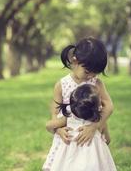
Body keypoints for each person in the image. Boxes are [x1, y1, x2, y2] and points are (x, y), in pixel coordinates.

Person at [42, 37, 114, 170]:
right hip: (68, 137)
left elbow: (108, 105)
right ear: (75, 60)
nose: (91, 76)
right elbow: (55, 113)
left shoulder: (96, 83)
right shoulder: (61, 85)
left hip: (90, 134)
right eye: (87, 72)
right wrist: (58, 129)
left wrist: (95, 126)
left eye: (95, 73)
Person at [43, 84, 116, 171]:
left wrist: (58, 130)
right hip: (94, 161)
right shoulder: (99, 122)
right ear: (98, 106)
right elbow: (107, 140)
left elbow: (48, 125)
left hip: (70, 161)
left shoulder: (69, 119)